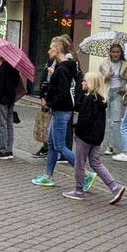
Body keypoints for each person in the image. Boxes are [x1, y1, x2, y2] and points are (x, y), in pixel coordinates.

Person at [64, 72, 126, 204]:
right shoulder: (100, 100)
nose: (82, 83)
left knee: (80, 163)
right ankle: (115, 187)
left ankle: (78, 190)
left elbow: (84, 120)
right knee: (96, 162)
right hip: (96, 138)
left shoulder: (88, 100)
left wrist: (75, 129)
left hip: (84, 137)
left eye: (85, 81)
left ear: (91, 83)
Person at [33, 37, 78, 186]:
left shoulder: (63, 69)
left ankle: (84, 172)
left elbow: (63, 92)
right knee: (52, 144)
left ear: (58, 50)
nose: (48, 51)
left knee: (60, 146)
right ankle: (49, 176)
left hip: (62, 111)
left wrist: (50, 102)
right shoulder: (63, 67)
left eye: (51, 48)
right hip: (59, 110)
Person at [100, 44, 127, 155]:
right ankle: (101, 144)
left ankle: (111, 146)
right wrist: (107, 75)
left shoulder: (126, 65)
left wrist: (125, 89)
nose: (115, 54)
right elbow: (101, 79)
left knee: (115, 121)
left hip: (118, 93)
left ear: (121, 53)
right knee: (104, 120)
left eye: (117, 52)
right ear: (110, 53)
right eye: (113, 52)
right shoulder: (105, 63)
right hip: (106, 93)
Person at [0, 51, 20, 160]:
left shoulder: (4, 67)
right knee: (9, 124)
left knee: (2, 124)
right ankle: (9, 149)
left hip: (2, 100)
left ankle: (3, 149)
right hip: (11, 99)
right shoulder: (15, 67)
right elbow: (16, 83)